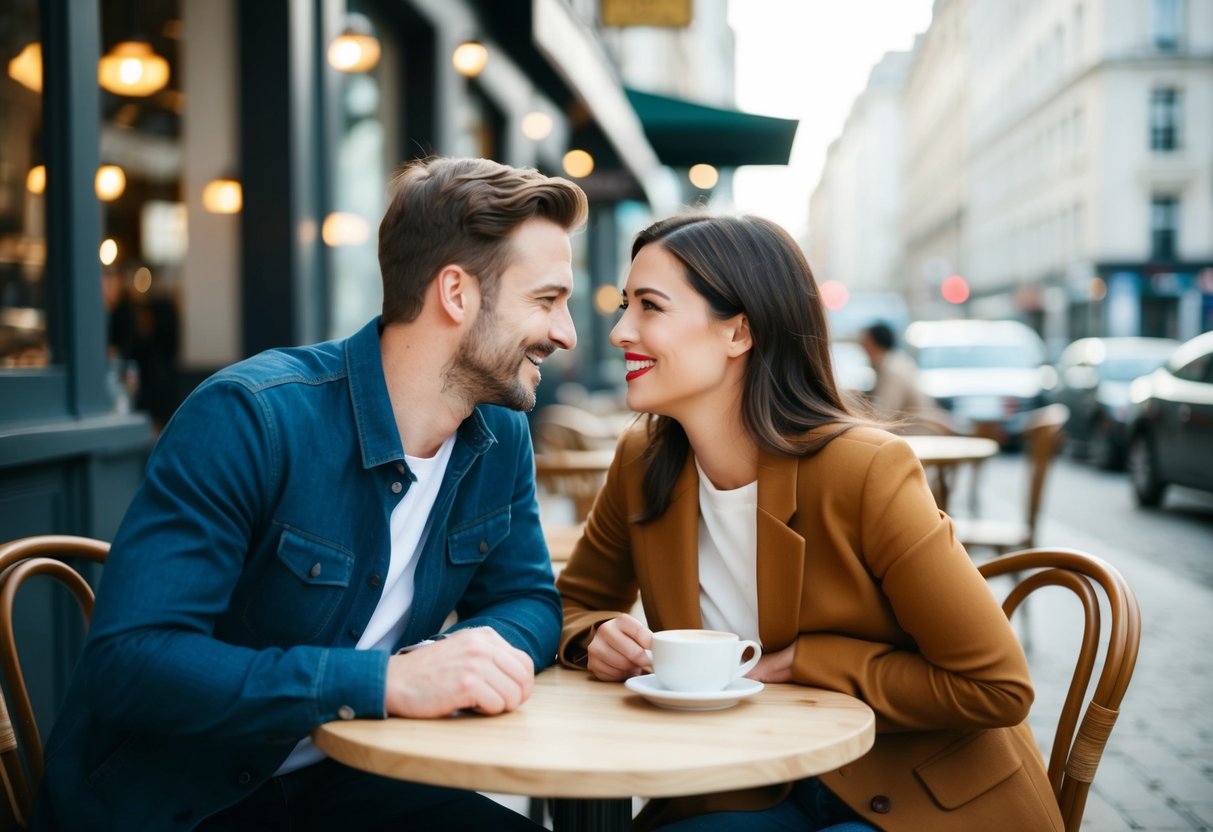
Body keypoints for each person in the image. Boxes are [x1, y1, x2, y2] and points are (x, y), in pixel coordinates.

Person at [32, 157, 588, 831]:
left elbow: (527, 599)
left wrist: (450, 659)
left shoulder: (497, 432)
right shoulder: (251, 417)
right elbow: (132, 662)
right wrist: (383, 684)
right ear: (455, 294)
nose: (566, 334)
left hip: (347, 782)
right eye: (546, 300)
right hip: (180, 803)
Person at [555, 214, 1064, 832]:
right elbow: (574, 602)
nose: (619, 331)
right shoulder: (644, 461)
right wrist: (597, 634)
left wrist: (807, 662)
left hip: (918, 794)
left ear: (739, 331)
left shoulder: (864, 469)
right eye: (624, 305)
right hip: (743, 783)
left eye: (650, 307)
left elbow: (996, 687)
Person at [857, 320, 936, 423]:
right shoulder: (895, 360)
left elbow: (884, 413)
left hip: (916, 430)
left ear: (874, 344)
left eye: (865, 342)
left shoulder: (892, 369)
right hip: (911, 427)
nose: (862, 347)